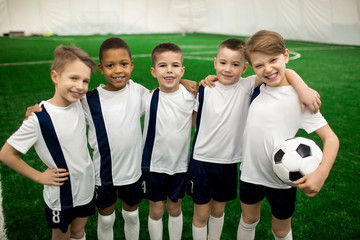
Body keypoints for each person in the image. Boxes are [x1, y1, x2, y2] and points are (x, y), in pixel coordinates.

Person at [26, 37, 197, 240]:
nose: (118, 70)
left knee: (131, 216)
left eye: (123, 64)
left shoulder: (139, 92)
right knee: (106, 219)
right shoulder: (89, 99)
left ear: (131, 65)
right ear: (101, 68)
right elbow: (63, 104)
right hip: (103, 173)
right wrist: (38, 108)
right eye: (110, 65)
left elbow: (163, 94)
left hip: (132, 172)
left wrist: (184, 82)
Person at [188, 38, 322, 240]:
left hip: (229, 162)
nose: (228, 69)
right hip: (201, 160)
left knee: (218, 211)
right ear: (215, 62)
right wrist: (184, 82)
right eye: (223, 63)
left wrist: (302, 87)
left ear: (244, 68)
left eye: (235, 64)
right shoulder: (205, 89)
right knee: (200, 214)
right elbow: (193, 119)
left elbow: (284, 71)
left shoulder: (246, 85)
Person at [237, 30, 339, 240]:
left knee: (281, 230)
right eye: (259, 65)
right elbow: (228, 81)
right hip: (250, 174)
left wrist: (321, 173)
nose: (268, 69)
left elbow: (331, 139)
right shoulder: (254, 88)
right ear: (253, 68)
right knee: (248, 220)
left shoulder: (301, 100)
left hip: (283, 180)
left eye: (273, 60)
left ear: (286, 56)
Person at [0, 45, 97, 240]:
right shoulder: (38, 118)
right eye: (73, 78)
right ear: (55, 76)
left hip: (86, 184)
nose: (80, 86)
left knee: (78, 232)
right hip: (61, 193)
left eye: (85, 81)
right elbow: (6, 154)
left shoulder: (80, 104)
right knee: (62, 235)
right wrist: (38, 177)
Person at [141, 42, 196, 240]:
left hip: (179, 166)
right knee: (156, 210)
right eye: (163, 66)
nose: (169, 70)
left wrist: (185, 82)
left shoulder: (192, 97)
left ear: (182, 70)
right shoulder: (147, 98)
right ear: (154, 71)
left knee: (175, 208)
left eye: (174, 65)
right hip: (153, 165)